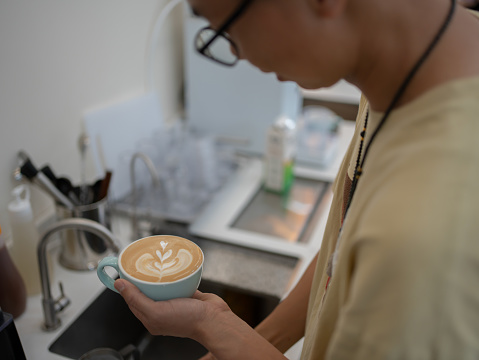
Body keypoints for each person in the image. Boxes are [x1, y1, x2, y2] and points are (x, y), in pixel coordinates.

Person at [114, 0, 479, 358]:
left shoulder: (423, 232)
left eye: (230, 28)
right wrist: (244, 334)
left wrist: (211, 326)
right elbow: (343, 253)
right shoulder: (399, 76)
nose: (238, 54)